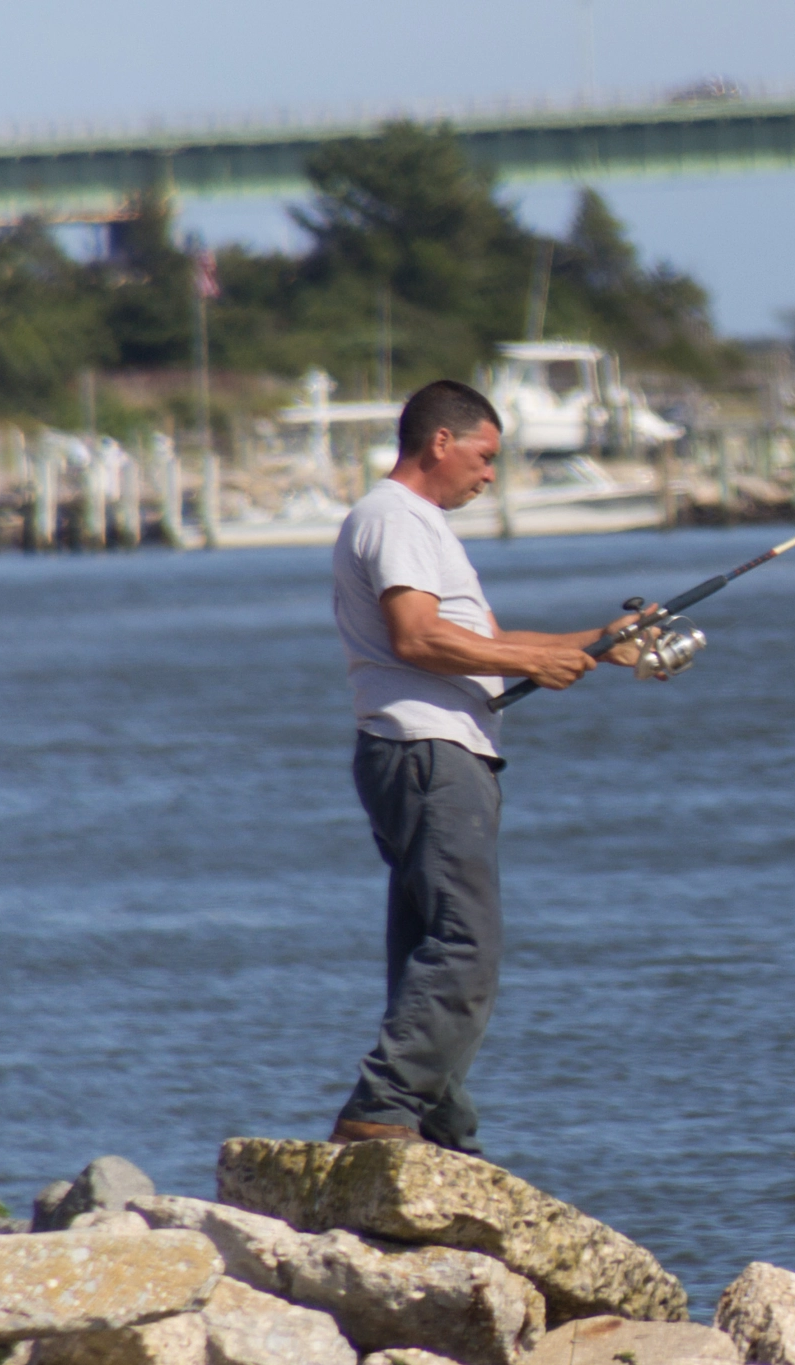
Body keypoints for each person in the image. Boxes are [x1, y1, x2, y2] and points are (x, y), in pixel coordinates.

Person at [327, 378, 644, 1152]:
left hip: (424, 749)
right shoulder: (397, 518)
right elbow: (418, 638)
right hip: (430, 752)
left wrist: (599, 641)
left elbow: (482, 645)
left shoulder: (417, 525)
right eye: (485, 454)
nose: (491, 473)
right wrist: (547, 657)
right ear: (440, 441)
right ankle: (383, 1107)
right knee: (468, 943)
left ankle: (438, 1128)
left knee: (428, 945)